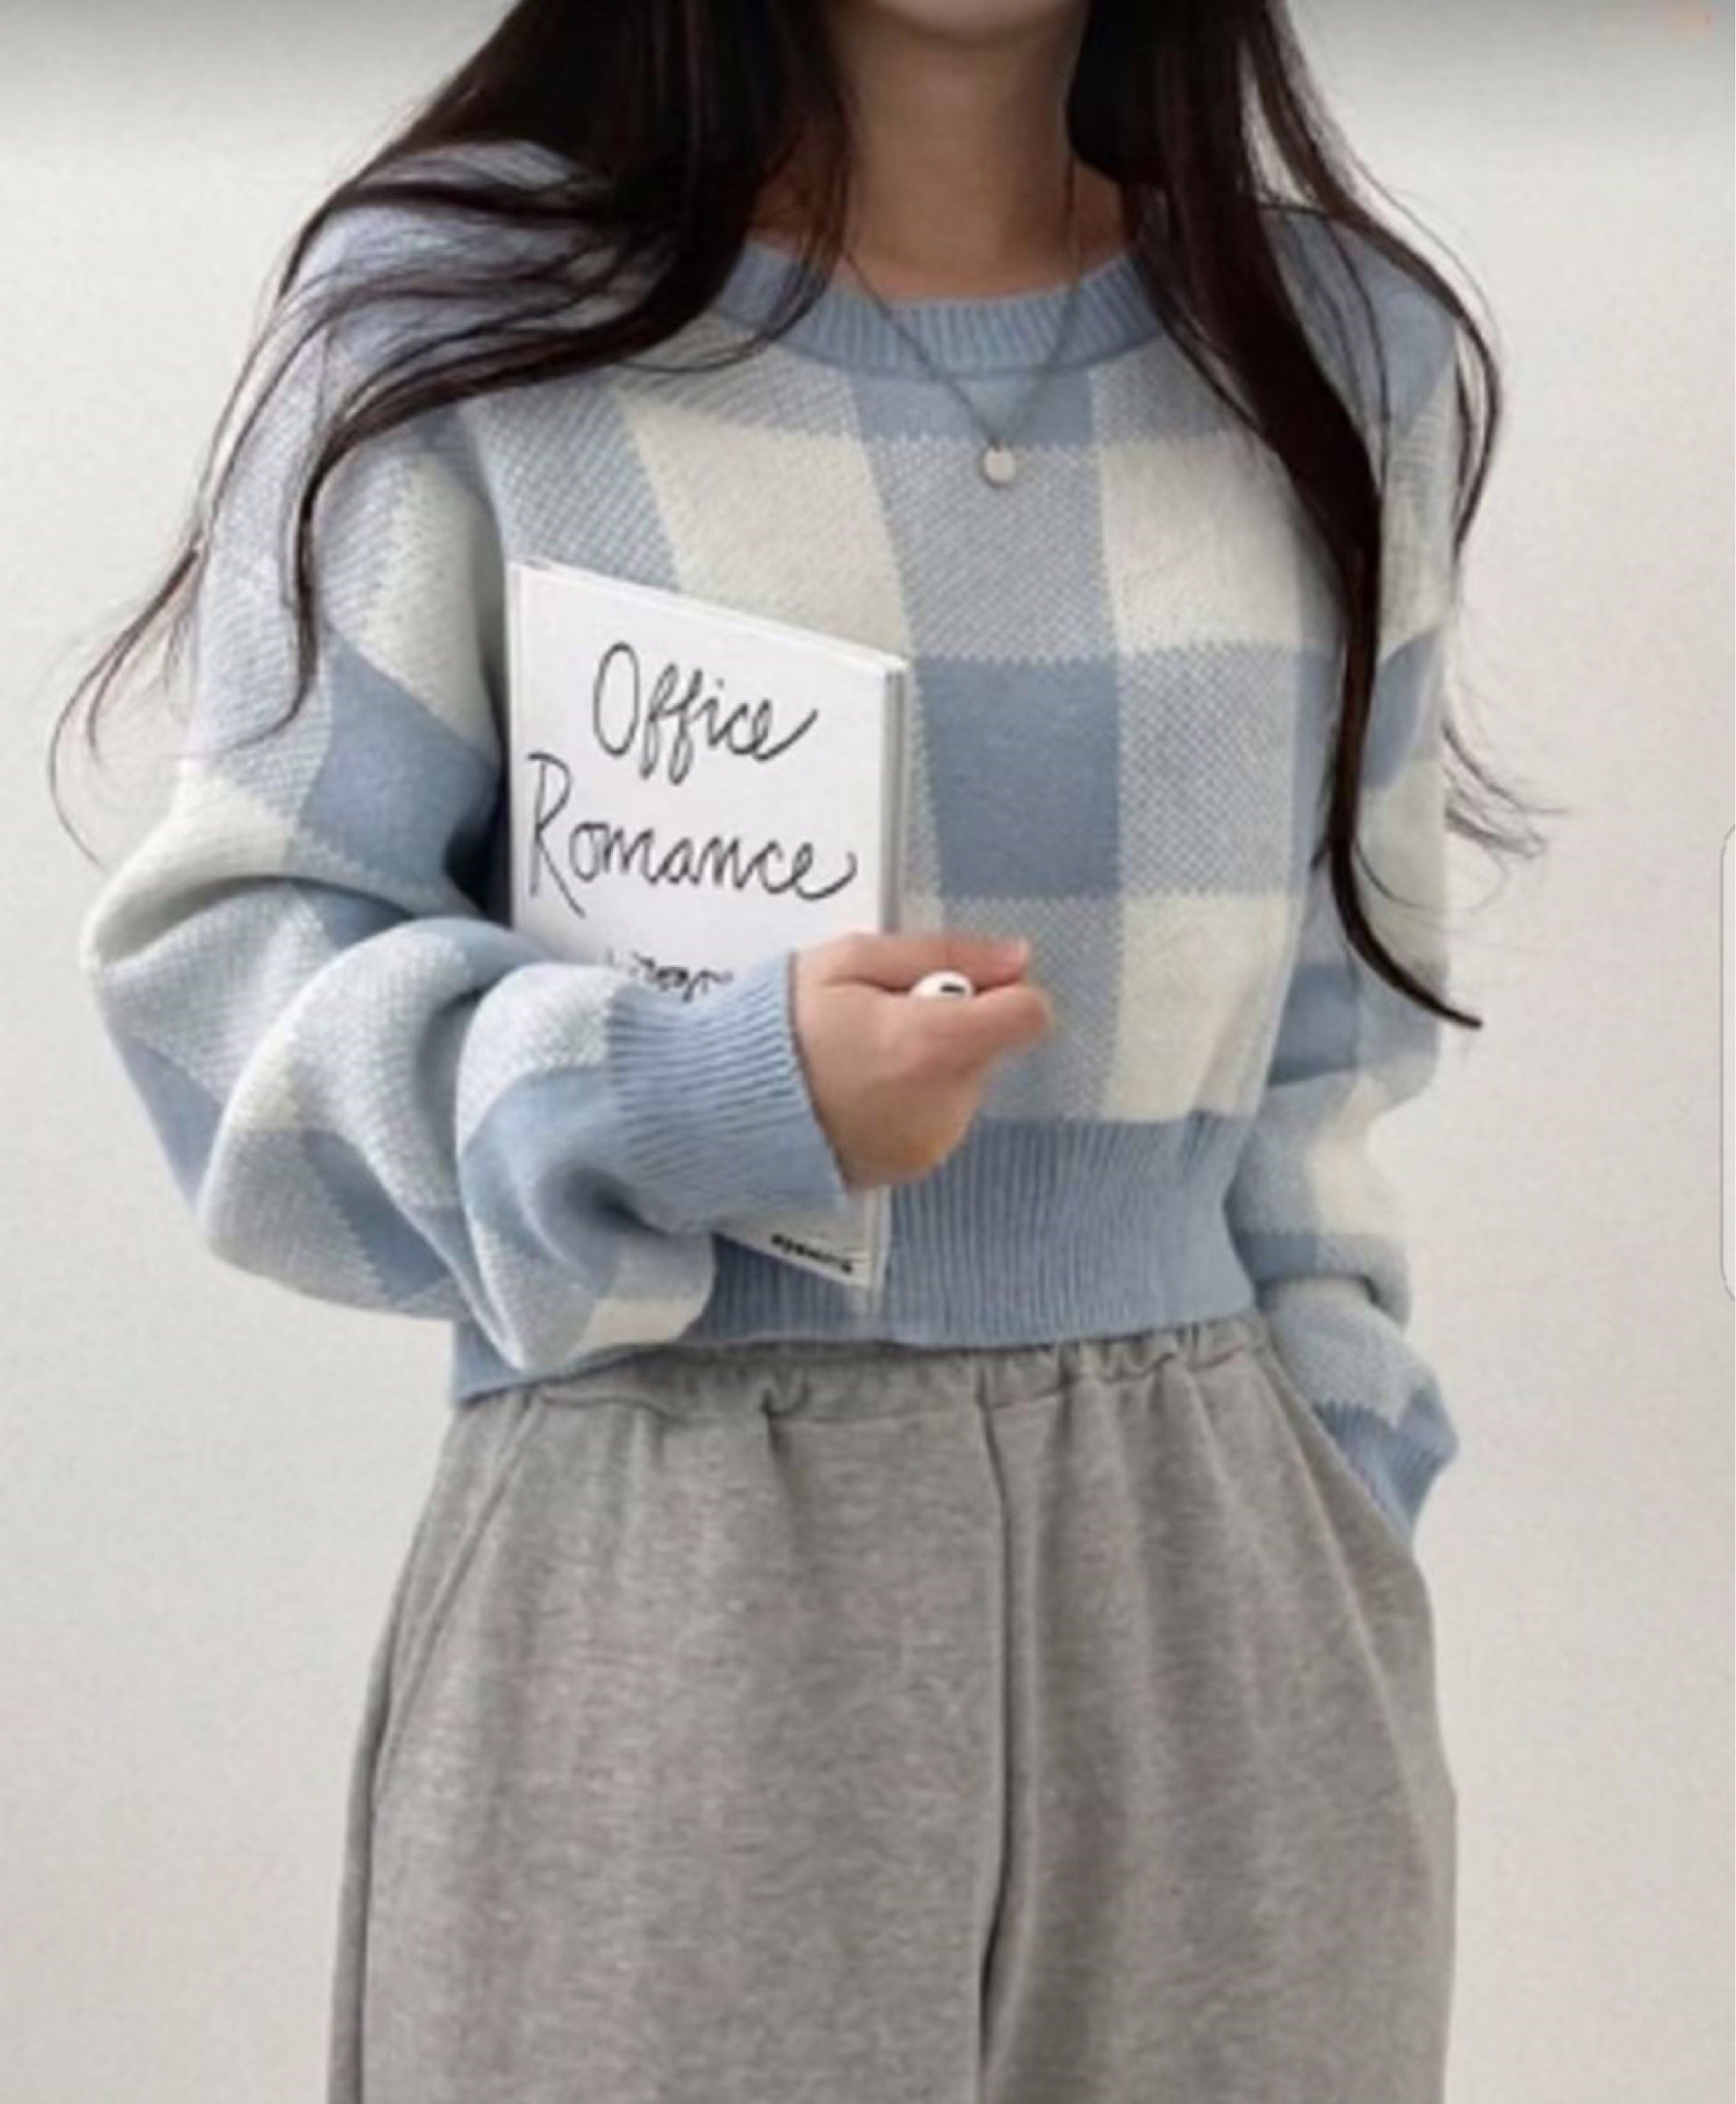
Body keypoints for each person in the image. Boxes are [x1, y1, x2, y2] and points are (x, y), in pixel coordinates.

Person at [59, 2, 1519, 2098]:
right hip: (674, 1570)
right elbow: (231, 974)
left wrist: (1335, 1512)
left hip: (1228, 1617)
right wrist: (693, 1097)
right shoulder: (464, 319)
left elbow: (1329, 1064)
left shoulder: (1343, 357)